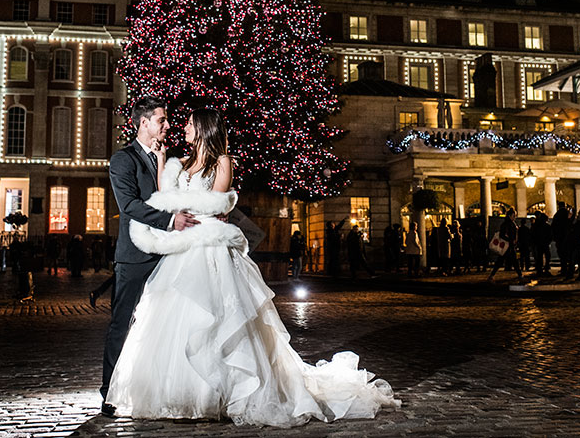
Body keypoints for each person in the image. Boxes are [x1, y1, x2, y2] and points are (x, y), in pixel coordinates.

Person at [106, 108, 399, 426]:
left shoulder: (223, 162)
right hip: (185, 248)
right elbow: (168, 198)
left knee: (221, 319)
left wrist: (188, 209)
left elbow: (217, 204)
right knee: (180, 320)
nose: (183, 127)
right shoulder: (183, 163)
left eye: (190, 123)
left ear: (204, 128)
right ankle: (180, 392)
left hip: (211, 247)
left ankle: (227, 391)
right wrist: (165, 169)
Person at [100, 97, 200, 417]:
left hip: (166, 256)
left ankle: (160, 388)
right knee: (123, 324)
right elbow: (129, 205)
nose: (168, 125)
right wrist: (172, 222)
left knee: (164, 324)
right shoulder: (122, 160)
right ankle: (109, 392)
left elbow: (167, 197)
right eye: (162, 120)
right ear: (144, 123)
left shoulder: (163, 157)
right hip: (135, 256)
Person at [487, 209, 523, 281]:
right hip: (508, 245)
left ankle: (492, 275)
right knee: (510, 260)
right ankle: (520, 275)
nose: (515, 217)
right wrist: (510, 240)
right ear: (509, 215)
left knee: (503, 260)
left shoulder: (510, 223)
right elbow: (502, 235)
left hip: (509, 245)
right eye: (514, 215)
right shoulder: (508, 224)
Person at [532, 211, 553, 277]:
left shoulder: (536, 226)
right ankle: (546, 268)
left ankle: (539, 270)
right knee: (547, 256)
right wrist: (548, 241)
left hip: (539, 243)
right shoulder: (547, 226)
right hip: (545, 243)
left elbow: (534, 234)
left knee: (539, 257)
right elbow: (550, 235)